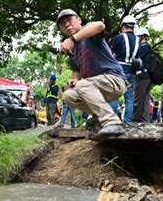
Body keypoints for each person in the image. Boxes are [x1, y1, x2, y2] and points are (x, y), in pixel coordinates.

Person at [56, 9, 128, 137]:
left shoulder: (88, 30)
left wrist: (73, 39)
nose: (67, 24)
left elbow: (100, 25)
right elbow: (76, 74)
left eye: (69, 20)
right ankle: (98, 117)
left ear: (78, 19)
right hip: (95, 87)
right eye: (63, 23)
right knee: (68, 95)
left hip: (114, 79)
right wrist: (74, 81)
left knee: (82, 85)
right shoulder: (73, 50)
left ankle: (113, 122)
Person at [109, 15, 138, 123]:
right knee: (129, 99)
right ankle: (128, 122)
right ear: (133, 27)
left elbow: (111, 55)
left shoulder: (119, 38)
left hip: (119, 71)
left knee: (114, 96)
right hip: (132, 72)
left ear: (123, 26)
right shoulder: (138, 40)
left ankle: (112, 121)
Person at [133, 27, 154, 123]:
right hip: (148, 77)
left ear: (142, 37)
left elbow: (134, 59)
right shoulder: (149, 48)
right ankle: (145, 120)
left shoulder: (142, 48)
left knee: (137, 98)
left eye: (137, 36)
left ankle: (135, 120)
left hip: (142, 77)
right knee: (145, 99)